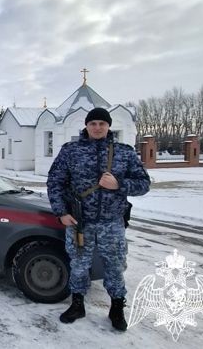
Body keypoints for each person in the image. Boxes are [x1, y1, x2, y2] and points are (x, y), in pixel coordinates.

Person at [46, 107, 150, 331]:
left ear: (108, 126)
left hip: (111, 222)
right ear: (86, 125)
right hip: (78, 222)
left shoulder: (124, 152)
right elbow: (55, 182)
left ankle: (116, 308)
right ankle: (77, 304)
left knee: (114, 266)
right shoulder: (70, 151)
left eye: (102, 123)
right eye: (93, 123)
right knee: (79, 265)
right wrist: (61, 212)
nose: (97, 127)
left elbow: (144, 184)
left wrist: (119, 184)